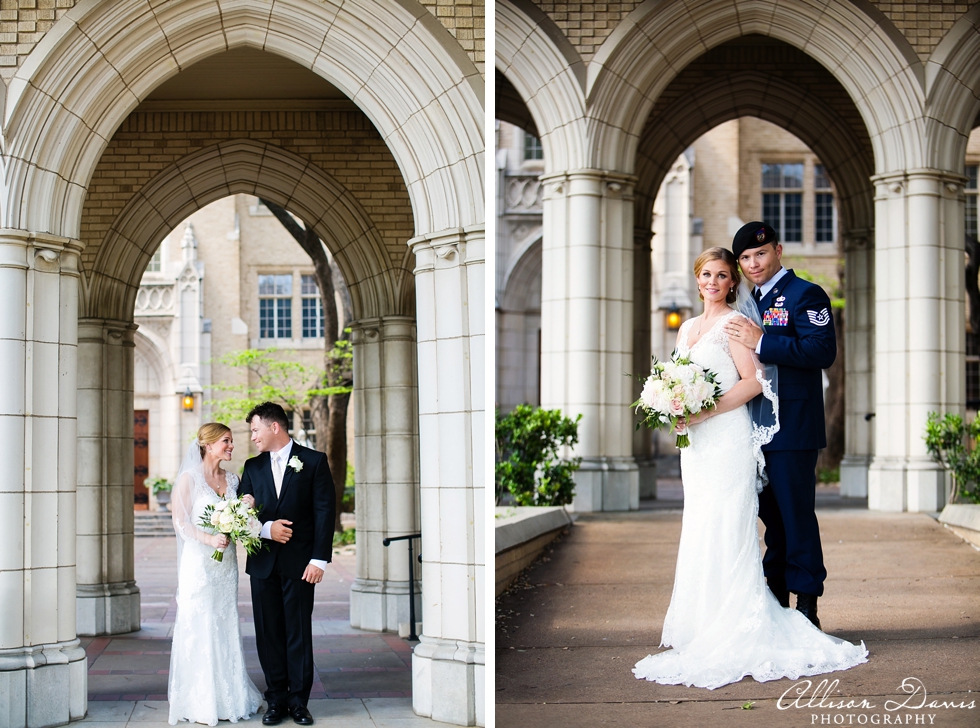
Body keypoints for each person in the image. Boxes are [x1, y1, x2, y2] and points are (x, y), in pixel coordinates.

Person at [633, 247, 866, 689]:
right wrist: (673, 406)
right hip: (697, 447)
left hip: (730, 436)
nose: (714, 282)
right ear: (697, 279)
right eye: (707, 274)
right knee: (704, 525)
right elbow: (679, 378)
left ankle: (782, 612)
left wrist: (703, 411)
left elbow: (756, 380)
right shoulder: (684, 328)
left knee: (742, 522)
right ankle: (707, 621)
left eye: (722, 275)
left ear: (732, 281)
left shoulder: (742, 322)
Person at [723, 221, 834, 628]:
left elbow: (821, 351)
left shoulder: (807, 294)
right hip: (752, 429)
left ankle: (806, 607)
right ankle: (774, 602)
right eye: (746, 258)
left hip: (794, 426)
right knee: (772, 518)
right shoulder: (748, 300)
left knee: (796, 515)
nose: (754, 263)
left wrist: (762, 340)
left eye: (761, 253)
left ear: (778, 250)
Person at [239, 402, 335, 726]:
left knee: (298, 632)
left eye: (255, 429)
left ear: (274, 427)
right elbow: (242, 516)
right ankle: (276, 700)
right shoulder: (251, 468)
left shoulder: (314, 461)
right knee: (268, 634)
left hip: (300, 564)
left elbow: (325, 513)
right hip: (263, 564)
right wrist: (268, 529)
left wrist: (319, 559)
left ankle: (299, 703)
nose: (252, 436)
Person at [168, 422, 263, 726]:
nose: (231, 446)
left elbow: (241, 520)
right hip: (199, 564)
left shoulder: (234, 480)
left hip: (225, 567)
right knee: (200, 624)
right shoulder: (189, 479)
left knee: (225, 622)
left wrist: (243, 517)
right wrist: (210, 539)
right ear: (208, 445)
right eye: (226, 441)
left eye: (232, 441)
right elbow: (180, 522)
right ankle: (200, 699)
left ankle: (230, 696)